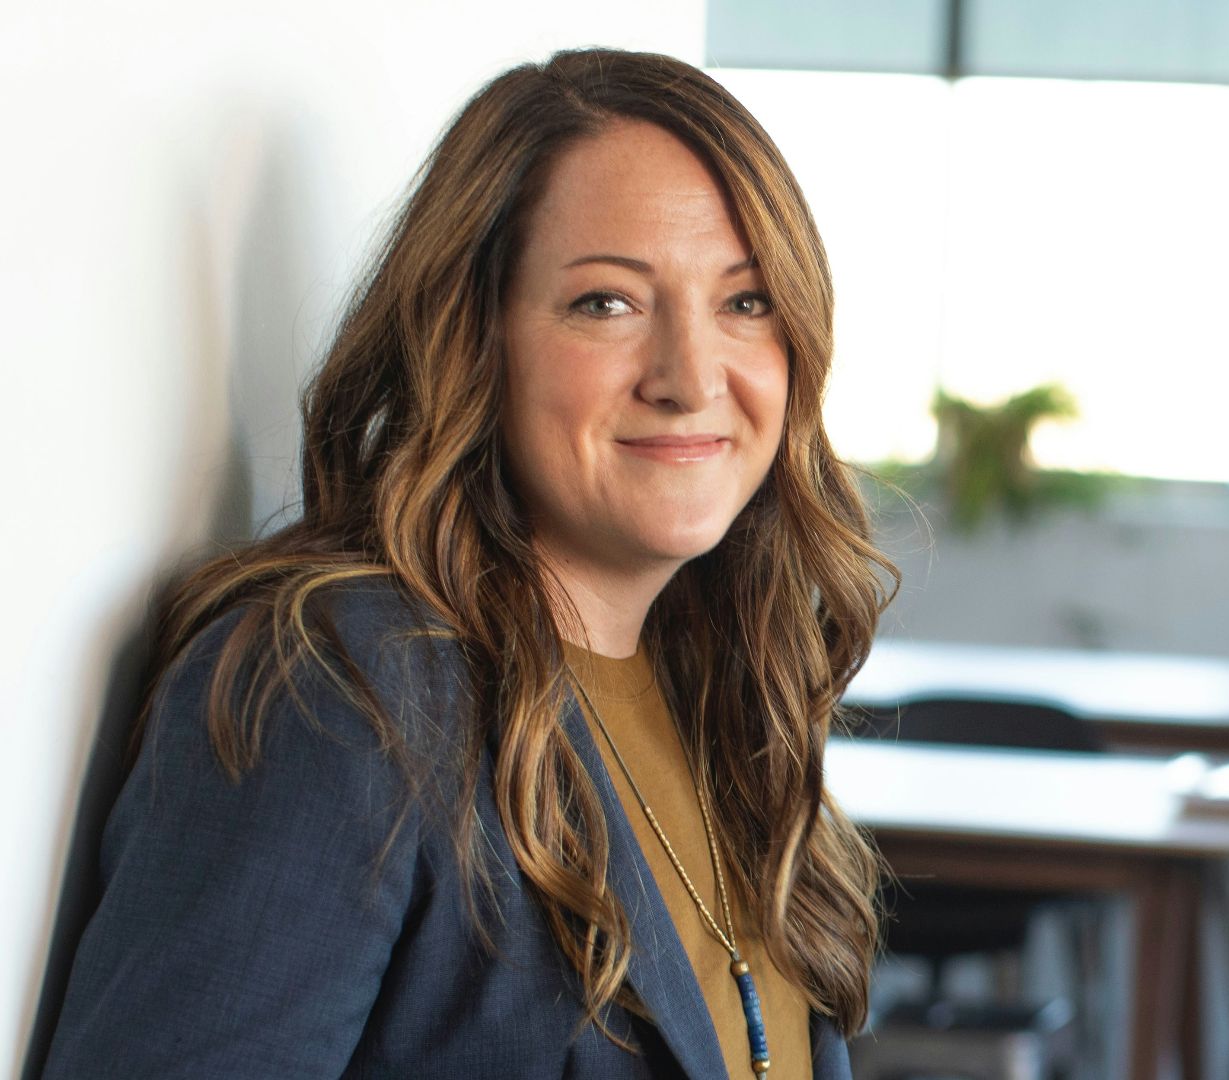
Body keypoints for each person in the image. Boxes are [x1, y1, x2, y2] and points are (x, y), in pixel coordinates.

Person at [42, 48, 894, 1079]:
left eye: (746, 301)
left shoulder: (730, 697)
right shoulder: (336, 690)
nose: (690, 376)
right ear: (474, 336)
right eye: (606, 304)